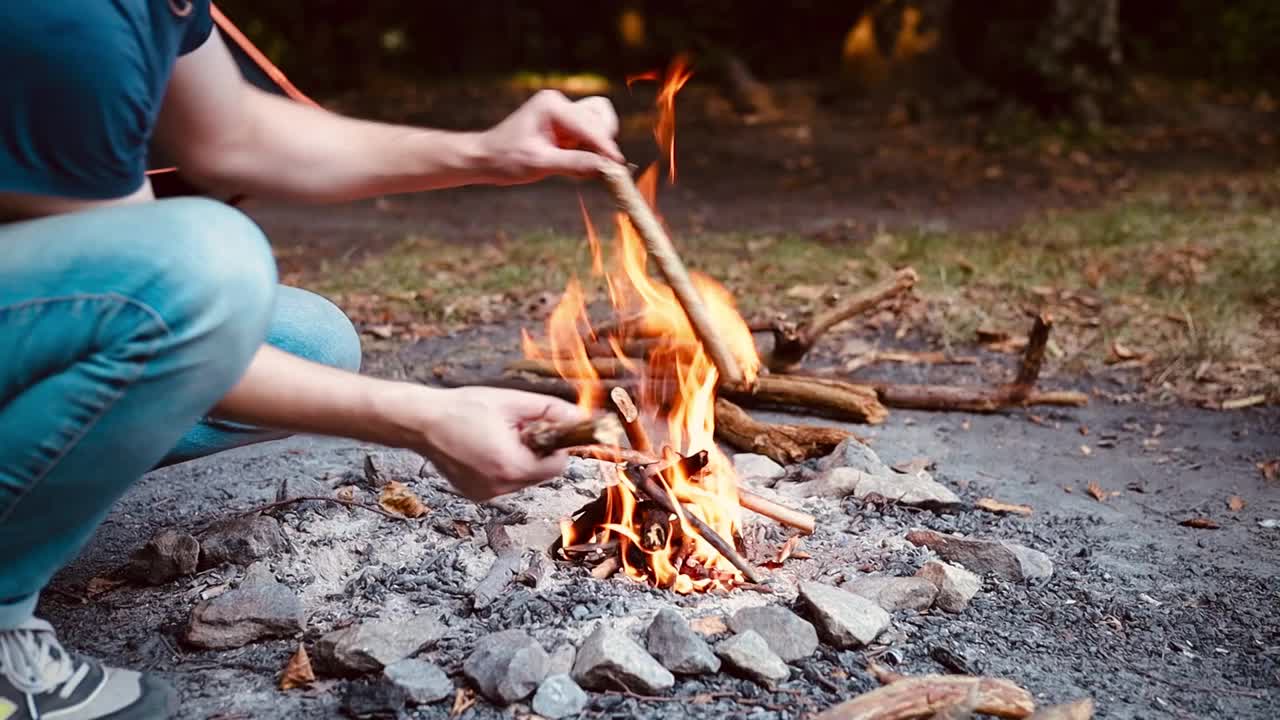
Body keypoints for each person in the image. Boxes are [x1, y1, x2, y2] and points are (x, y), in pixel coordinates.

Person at [0, 2, 624, 717]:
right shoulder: (74, 19)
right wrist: (426, 418)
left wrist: (486, 152)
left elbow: (232, 133)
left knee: (309, 341)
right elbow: (153, 304)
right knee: (204, 268)